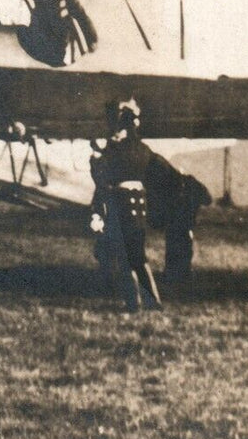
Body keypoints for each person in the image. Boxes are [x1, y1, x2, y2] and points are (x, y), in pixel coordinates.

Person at [89, 99, 161, 311]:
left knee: (123, 256)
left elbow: (101, 177)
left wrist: (95, 158)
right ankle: (153, 300)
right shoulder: (144, 150)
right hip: (139, 205)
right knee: (139, 256)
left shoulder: (115, 151)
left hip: (121, 205)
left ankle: (133, 303)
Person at [145, 153, 213, 290]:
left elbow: (207, 198)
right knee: (181, 247)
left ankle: (177, 275)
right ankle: (179, 275)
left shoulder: (171, 184)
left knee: (177, 247)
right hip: (183, 223)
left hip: (179, 223)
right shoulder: (187, 182)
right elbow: (207, 199)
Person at [20, 0, 98, 67]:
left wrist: (92, 40)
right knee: (24, 30)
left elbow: (82, 17)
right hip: (40, 38)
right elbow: (82, 17)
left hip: (53, 42)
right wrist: (92, 40)